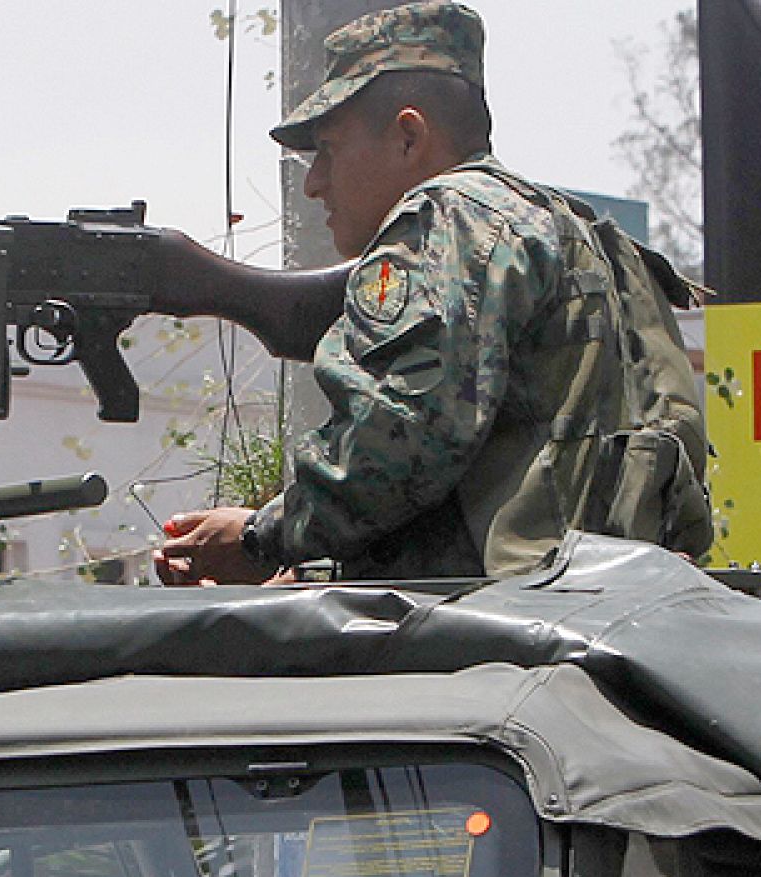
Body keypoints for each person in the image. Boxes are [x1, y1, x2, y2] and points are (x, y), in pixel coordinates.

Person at [149, 1, 705, 585]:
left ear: (409, 137)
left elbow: (404, 438)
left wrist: (260, 537)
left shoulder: (448, 219)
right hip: (601, 609)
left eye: (328, 151)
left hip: (489, 641)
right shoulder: (581, 236)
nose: (313, 183)